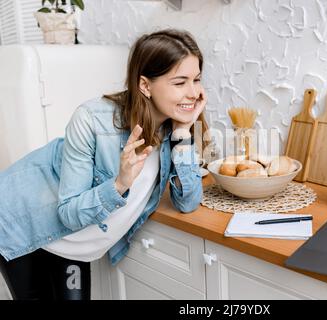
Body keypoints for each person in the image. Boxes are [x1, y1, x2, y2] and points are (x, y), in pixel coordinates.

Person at [0, 28, 208, 300]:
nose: (193, 93)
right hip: (23, 222)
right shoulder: (91, 119)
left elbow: (188, 202)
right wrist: (120, 184)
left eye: (197, 79)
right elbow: (69, 213)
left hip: (76, 244)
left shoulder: (176, 125)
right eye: (180, 83)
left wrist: (183, 134)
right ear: (145, 85)